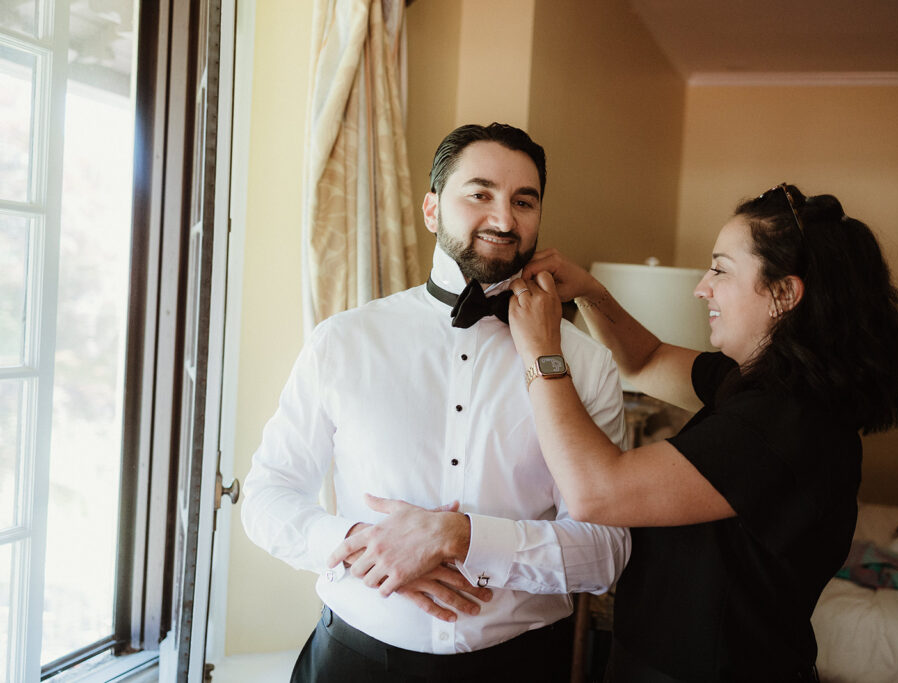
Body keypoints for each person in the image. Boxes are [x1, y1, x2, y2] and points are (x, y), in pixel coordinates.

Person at [241, 123, 630, 683]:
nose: (503, 219)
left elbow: (605, 553)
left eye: (524, 201)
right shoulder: (344, 341)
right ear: (431, 210)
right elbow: (266, 494)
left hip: (521, 667)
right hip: (353, 661)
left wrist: (465, 539)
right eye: (480, 194)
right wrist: (365, 546)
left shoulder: (587, 365)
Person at [506, 183, 898, 682]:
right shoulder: (762, 383)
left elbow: (598, 491)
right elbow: (644, 362)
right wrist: (591, 293)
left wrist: (541, 352)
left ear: (783, 294)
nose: (701, 287)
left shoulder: (786, 421)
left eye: (721, 270)